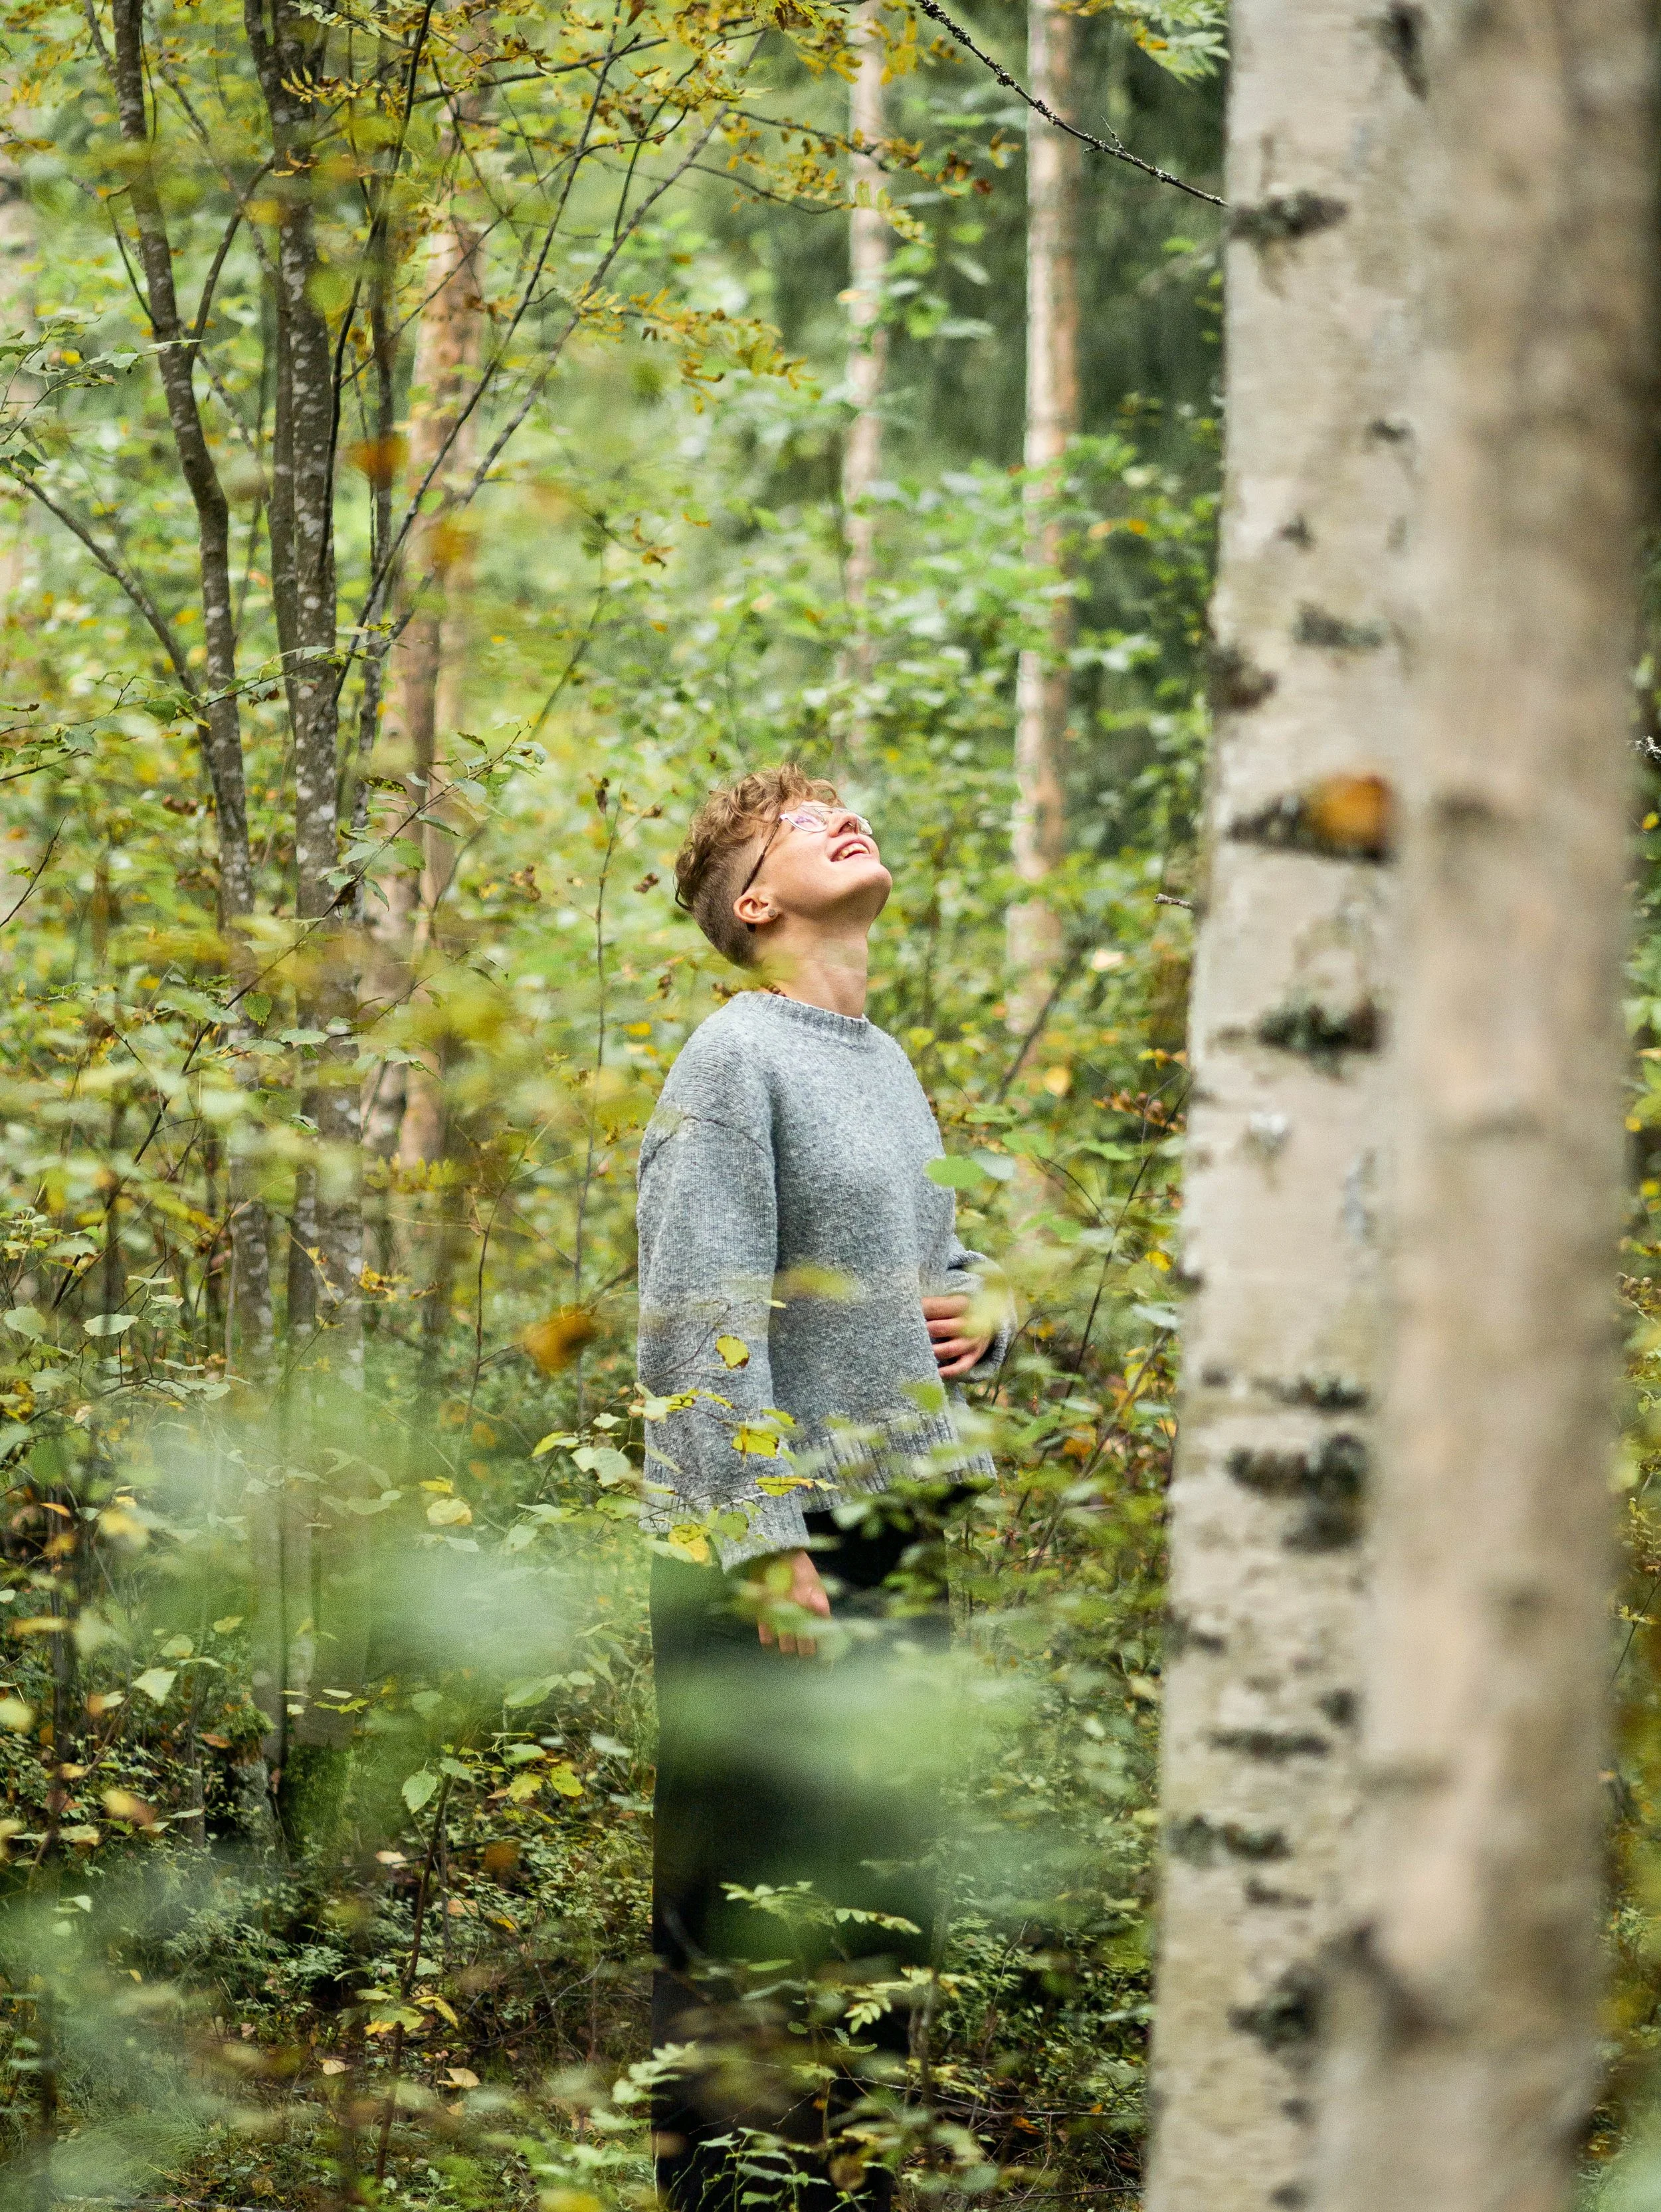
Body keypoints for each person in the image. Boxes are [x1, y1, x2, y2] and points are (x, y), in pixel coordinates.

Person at [636, 765, 1011, 2212]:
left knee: (879, 1915)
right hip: (768, 1551)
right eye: (804, 824)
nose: (846, 820)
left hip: (891, 1536)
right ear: (755, 899)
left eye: (850, 808)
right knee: (741, 1935)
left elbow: (944, 1260)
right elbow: (694, 1318)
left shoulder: (885, 1059)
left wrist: (992, 1314)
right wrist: (757, 1544)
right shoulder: (735, 1058)